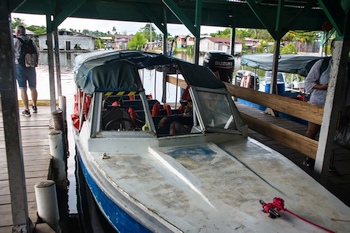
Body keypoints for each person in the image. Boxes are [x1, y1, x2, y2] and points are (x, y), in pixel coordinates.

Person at [303, 39, 350, 169]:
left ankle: (328, 162)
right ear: (331, 50)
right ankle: (309, 157)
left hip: (337, 106)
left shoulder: (347, 67)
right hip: (318, 104)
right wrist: (322, 87)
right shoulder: (322, 64)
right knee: (312, 131)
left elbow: (348, 90)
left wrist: (347, 107)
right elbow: (308, 83)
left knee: (331, 135)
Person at [13, 25, 39, 117]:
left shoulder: (15, 41)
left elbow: (11, 53)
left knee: (23, 89)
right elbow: (37, 53)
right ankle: (35, 106)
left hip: (20, 67)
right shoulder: (31, 41)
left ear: (18, 32)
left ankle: (26, 110)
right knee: (33, 87)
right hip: (31, 67)